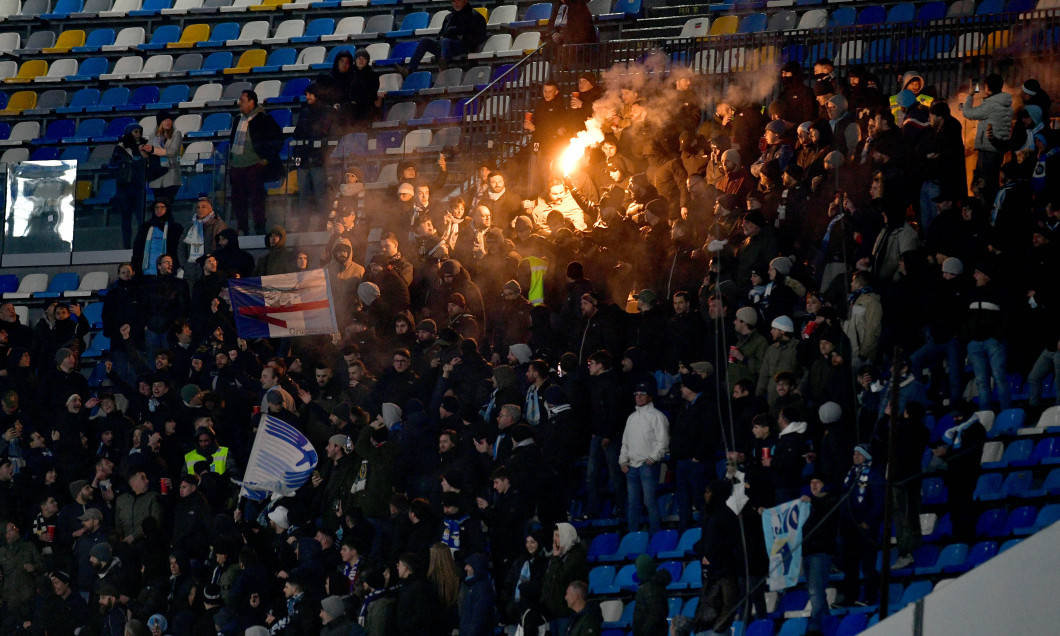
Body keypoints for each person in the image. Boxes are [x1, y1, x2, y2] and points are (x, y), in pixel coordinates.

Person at [229, 90, 284, 235]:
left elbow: (277, 139)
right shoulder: (237, 120)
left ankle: (260, 228)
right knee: (238, 201)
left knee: (257, 200)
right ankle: (242, 229)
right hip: (237, 167)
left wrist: (266, 159)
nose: (239, 103)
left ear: (251, 102)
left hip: (254, 166)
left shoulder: (264, 119)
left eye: (242, 100)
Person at [619, 381, 669, 533]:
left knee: (649, 502)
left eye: (642, 394)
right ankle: (633, 536)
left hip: (648, 466)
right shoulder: (631, 418)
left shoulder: (658, 417)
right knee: (633, 504)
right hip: (632, 466)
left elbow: (663, 441)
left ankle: (656, 534)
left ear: (650, 396)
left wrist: (653, 458)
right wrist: (623, 461)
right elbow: (625, 442)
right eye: (637, 394)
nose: (639, 397)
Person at [960, 74, 1012, 204]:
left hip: (988, 148)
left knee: (983, 184)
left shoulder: (992, 104)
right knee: (992, 181)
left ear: (988, 87)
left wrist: (971, 95)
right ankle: (991, 208)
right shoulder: (1005, 103)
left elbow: (969, 113)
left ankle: (985, 210)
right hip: (997, 148)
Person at [404, 0, 487, 74]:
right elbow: (441, 34)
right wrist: (441, 38)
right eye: (454, 1)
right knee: (424, 41)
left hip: (464, 46)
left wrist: (461, 35)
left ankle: (442, 70)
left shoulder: (475, 16)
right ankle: (409, 70)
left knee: (446, 41)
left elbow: (480, 37)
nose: (456, 3)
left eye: (459, 0)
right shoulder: (449, 17)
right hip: (446, 46)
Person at [110, 122, 150, 248]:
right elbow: (112, 165)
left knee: (141, 218)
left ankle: (141, 245)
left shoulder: (145, 147)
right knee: (126, 219)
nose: (138, 135)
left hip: (139, 187)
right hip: (124, 188)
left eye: (139, 132)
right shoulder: (120, 148)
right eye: (135, 132)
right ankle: (126, 245)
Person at [131, 200, 184, 277]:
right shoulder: (145, 227)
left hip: (168, 271)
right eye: (157, 208)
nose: (159, 210)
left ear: (167, 209)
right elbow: (137, 248)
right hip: (147, 271)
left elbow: (180, 249)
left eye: (162, 207)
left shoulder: (175, 228)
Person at [146, 112, 184, 203]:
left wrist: (154, 150)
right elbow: (148, 152)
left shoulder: (176, 134)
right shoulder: (153, 136)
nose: (168, 122)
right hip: (157, 176)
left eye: (169, 119)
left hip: (171, 175)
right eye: (165, 120)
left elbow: (173, 152)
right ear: (160, 122)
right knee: (158, 204)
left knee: (168, 203)